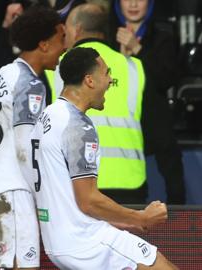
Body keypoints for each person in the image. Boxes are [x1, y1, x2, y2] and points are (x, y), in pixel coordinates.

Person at [31, 47, 178, 269]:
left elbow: (65, 196)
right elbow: (88, 201)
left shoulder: (47, 116)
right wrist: (140, 218)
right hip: (84, 241)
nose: (111, 81)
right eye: (107, 73)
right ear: (89, 80)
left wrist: (124, 221)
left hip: (57, 241)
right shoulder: (78, 125)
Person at [0, 6, 65, 269]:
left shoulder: (1, 75)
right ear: (44, 45)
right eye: (61, 39)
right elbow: (26, 147)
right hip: (12, 191)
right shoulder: (31, 84)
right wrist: (43, 195)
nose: (65, 47)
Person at [46, 3, 149, 204]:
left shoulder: (56, 67)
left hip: (76, 180)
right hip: (128, 180)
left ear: (76, 30)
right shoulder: (134, 67)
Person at [109, 0, 186, 204]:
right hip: (116, 121)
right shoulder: (106, 36)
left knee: (174, 179)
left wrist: (137, 49)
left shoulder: (164, 35)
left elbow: (165, 79)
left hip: (153, 116)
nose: (133, 4)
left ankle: (177, 226)